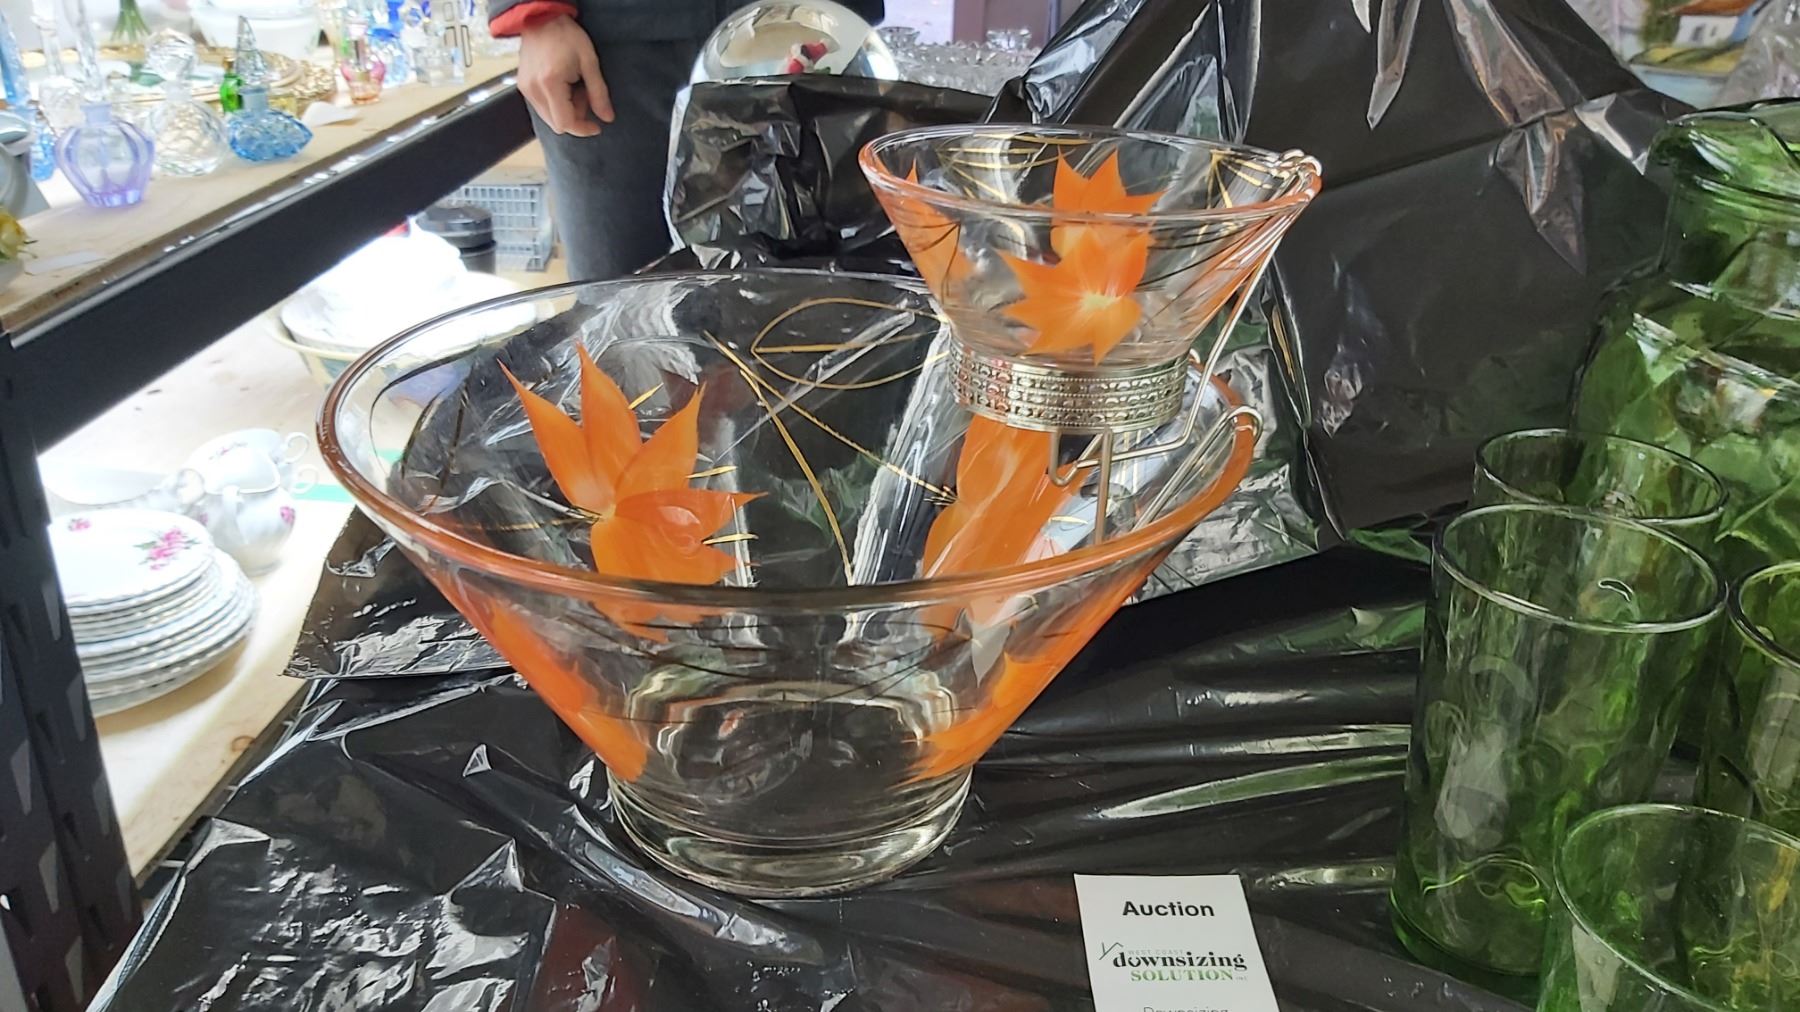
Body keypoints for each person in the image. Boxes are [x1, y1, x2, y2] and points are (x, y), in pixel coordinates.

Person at [489, 0, 885, 280]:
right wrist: (535, 12)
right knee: (615, 316)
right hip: (614, 47)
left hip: (816, 32)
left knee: (838, 306)